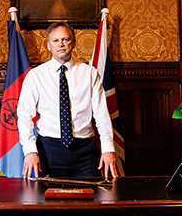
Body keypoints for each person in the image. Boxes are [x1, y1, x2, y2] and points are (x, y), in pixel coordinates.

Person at [17, 21, 118, 179]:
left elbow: (101, 114)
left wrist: (107, 148)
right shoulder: (35, 76)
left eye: (66, 39)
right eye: (56, 41)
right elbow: (24, 117)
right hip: (49, 150)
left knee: (90, 200)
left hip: (84, 150)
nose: (61, 44)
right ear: (48, 45)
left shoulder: (90, 73)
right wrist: (30, 151)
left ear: (74, 43)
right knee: (49, 201)